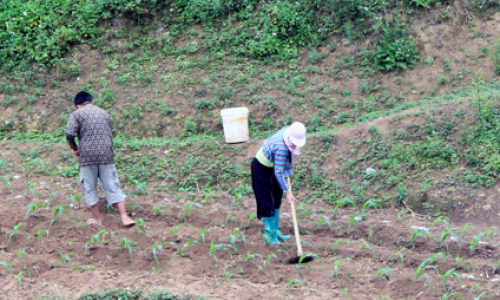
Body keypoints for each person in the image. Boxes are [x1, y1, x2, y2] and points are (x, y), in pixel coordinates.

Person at [65, 91, 135, 227]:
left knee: (90, 188)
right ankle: (124, 217)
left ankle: (98, 221)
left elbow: (69, 134)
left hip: (87, 157)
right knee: (112, 185)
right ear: (92, 101)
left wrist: (75, 148)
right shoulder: (104, 113)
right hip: (106, 155)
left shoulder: (76, 114)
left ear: (77, 105)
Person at [251, 122, 306, 244]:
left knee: (276, 198)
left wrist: (285, 187)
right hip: (261, 168)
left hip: (273, 166)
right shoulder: (281, 148)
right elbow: (279, 172)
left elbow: (285, 164)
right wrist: (288, 191)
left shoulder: (288, 131)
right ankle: (270, 235)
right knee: (267, 201)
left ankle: (275, 231)